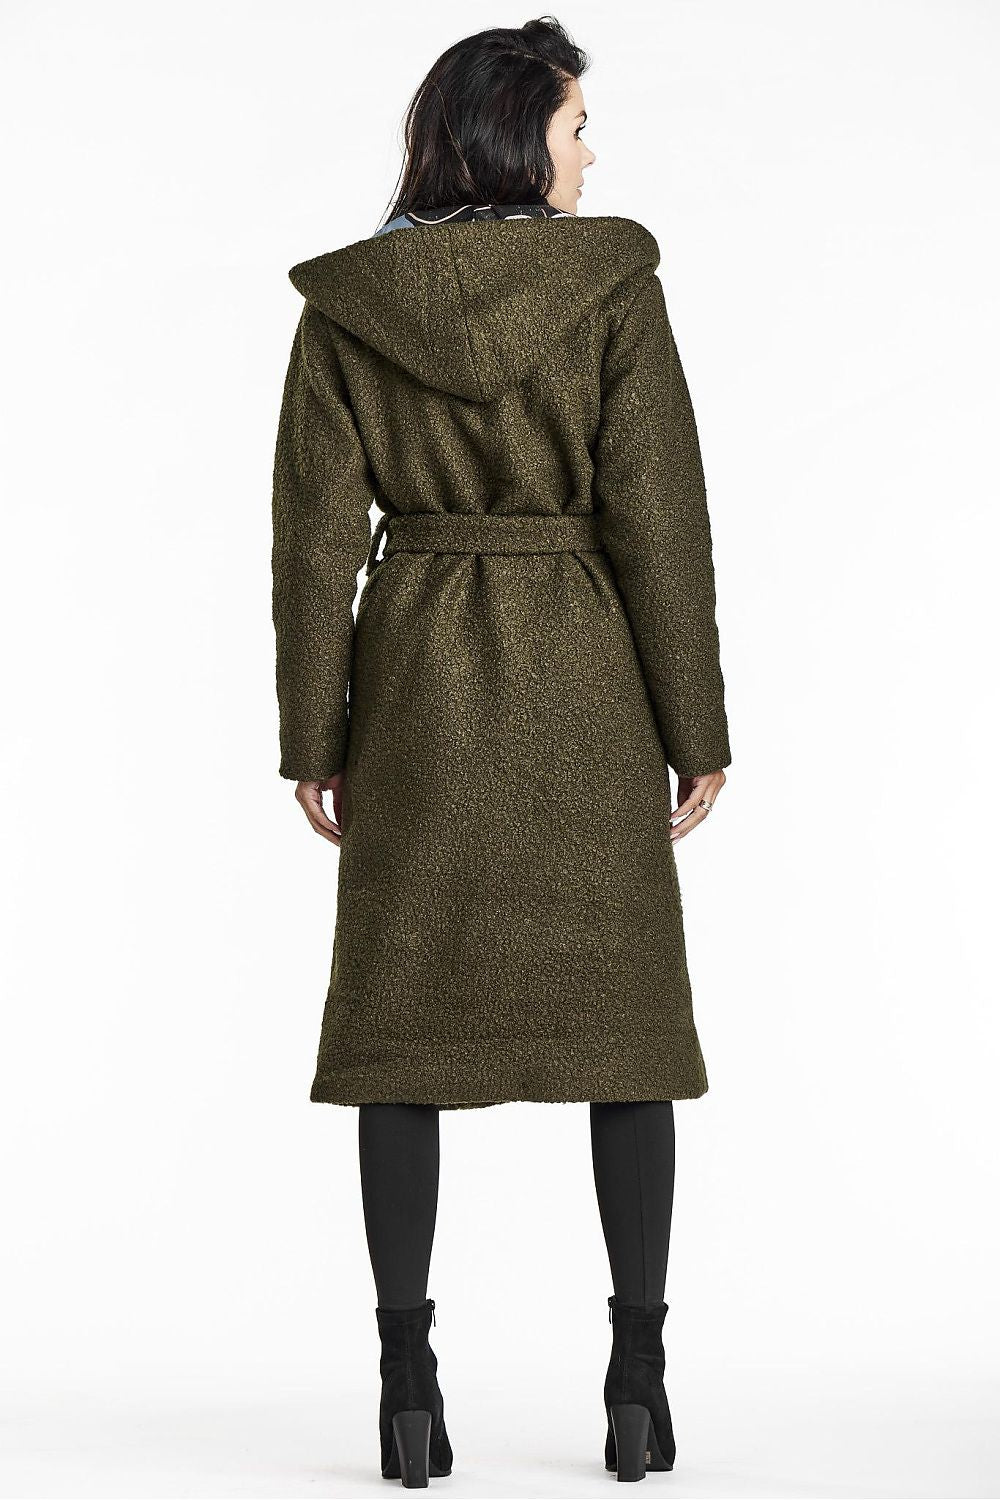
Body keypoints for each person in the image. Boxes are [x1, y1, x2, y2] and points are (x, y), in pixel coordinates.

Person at [270, 16, 731, 1487]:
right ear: (518, 134)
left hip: (414, 685)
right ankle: (640, 1386)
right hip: (587, 679)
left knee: (398, 1030)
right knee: (626, 1033)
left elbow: (312, 543)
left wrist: (316, 733)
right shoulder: (612, 289)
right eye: (578, 124)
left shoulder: (352, 306)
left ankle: (406, 1386)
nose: (592, 150)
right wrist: (695, 725)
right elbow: (661, 523)